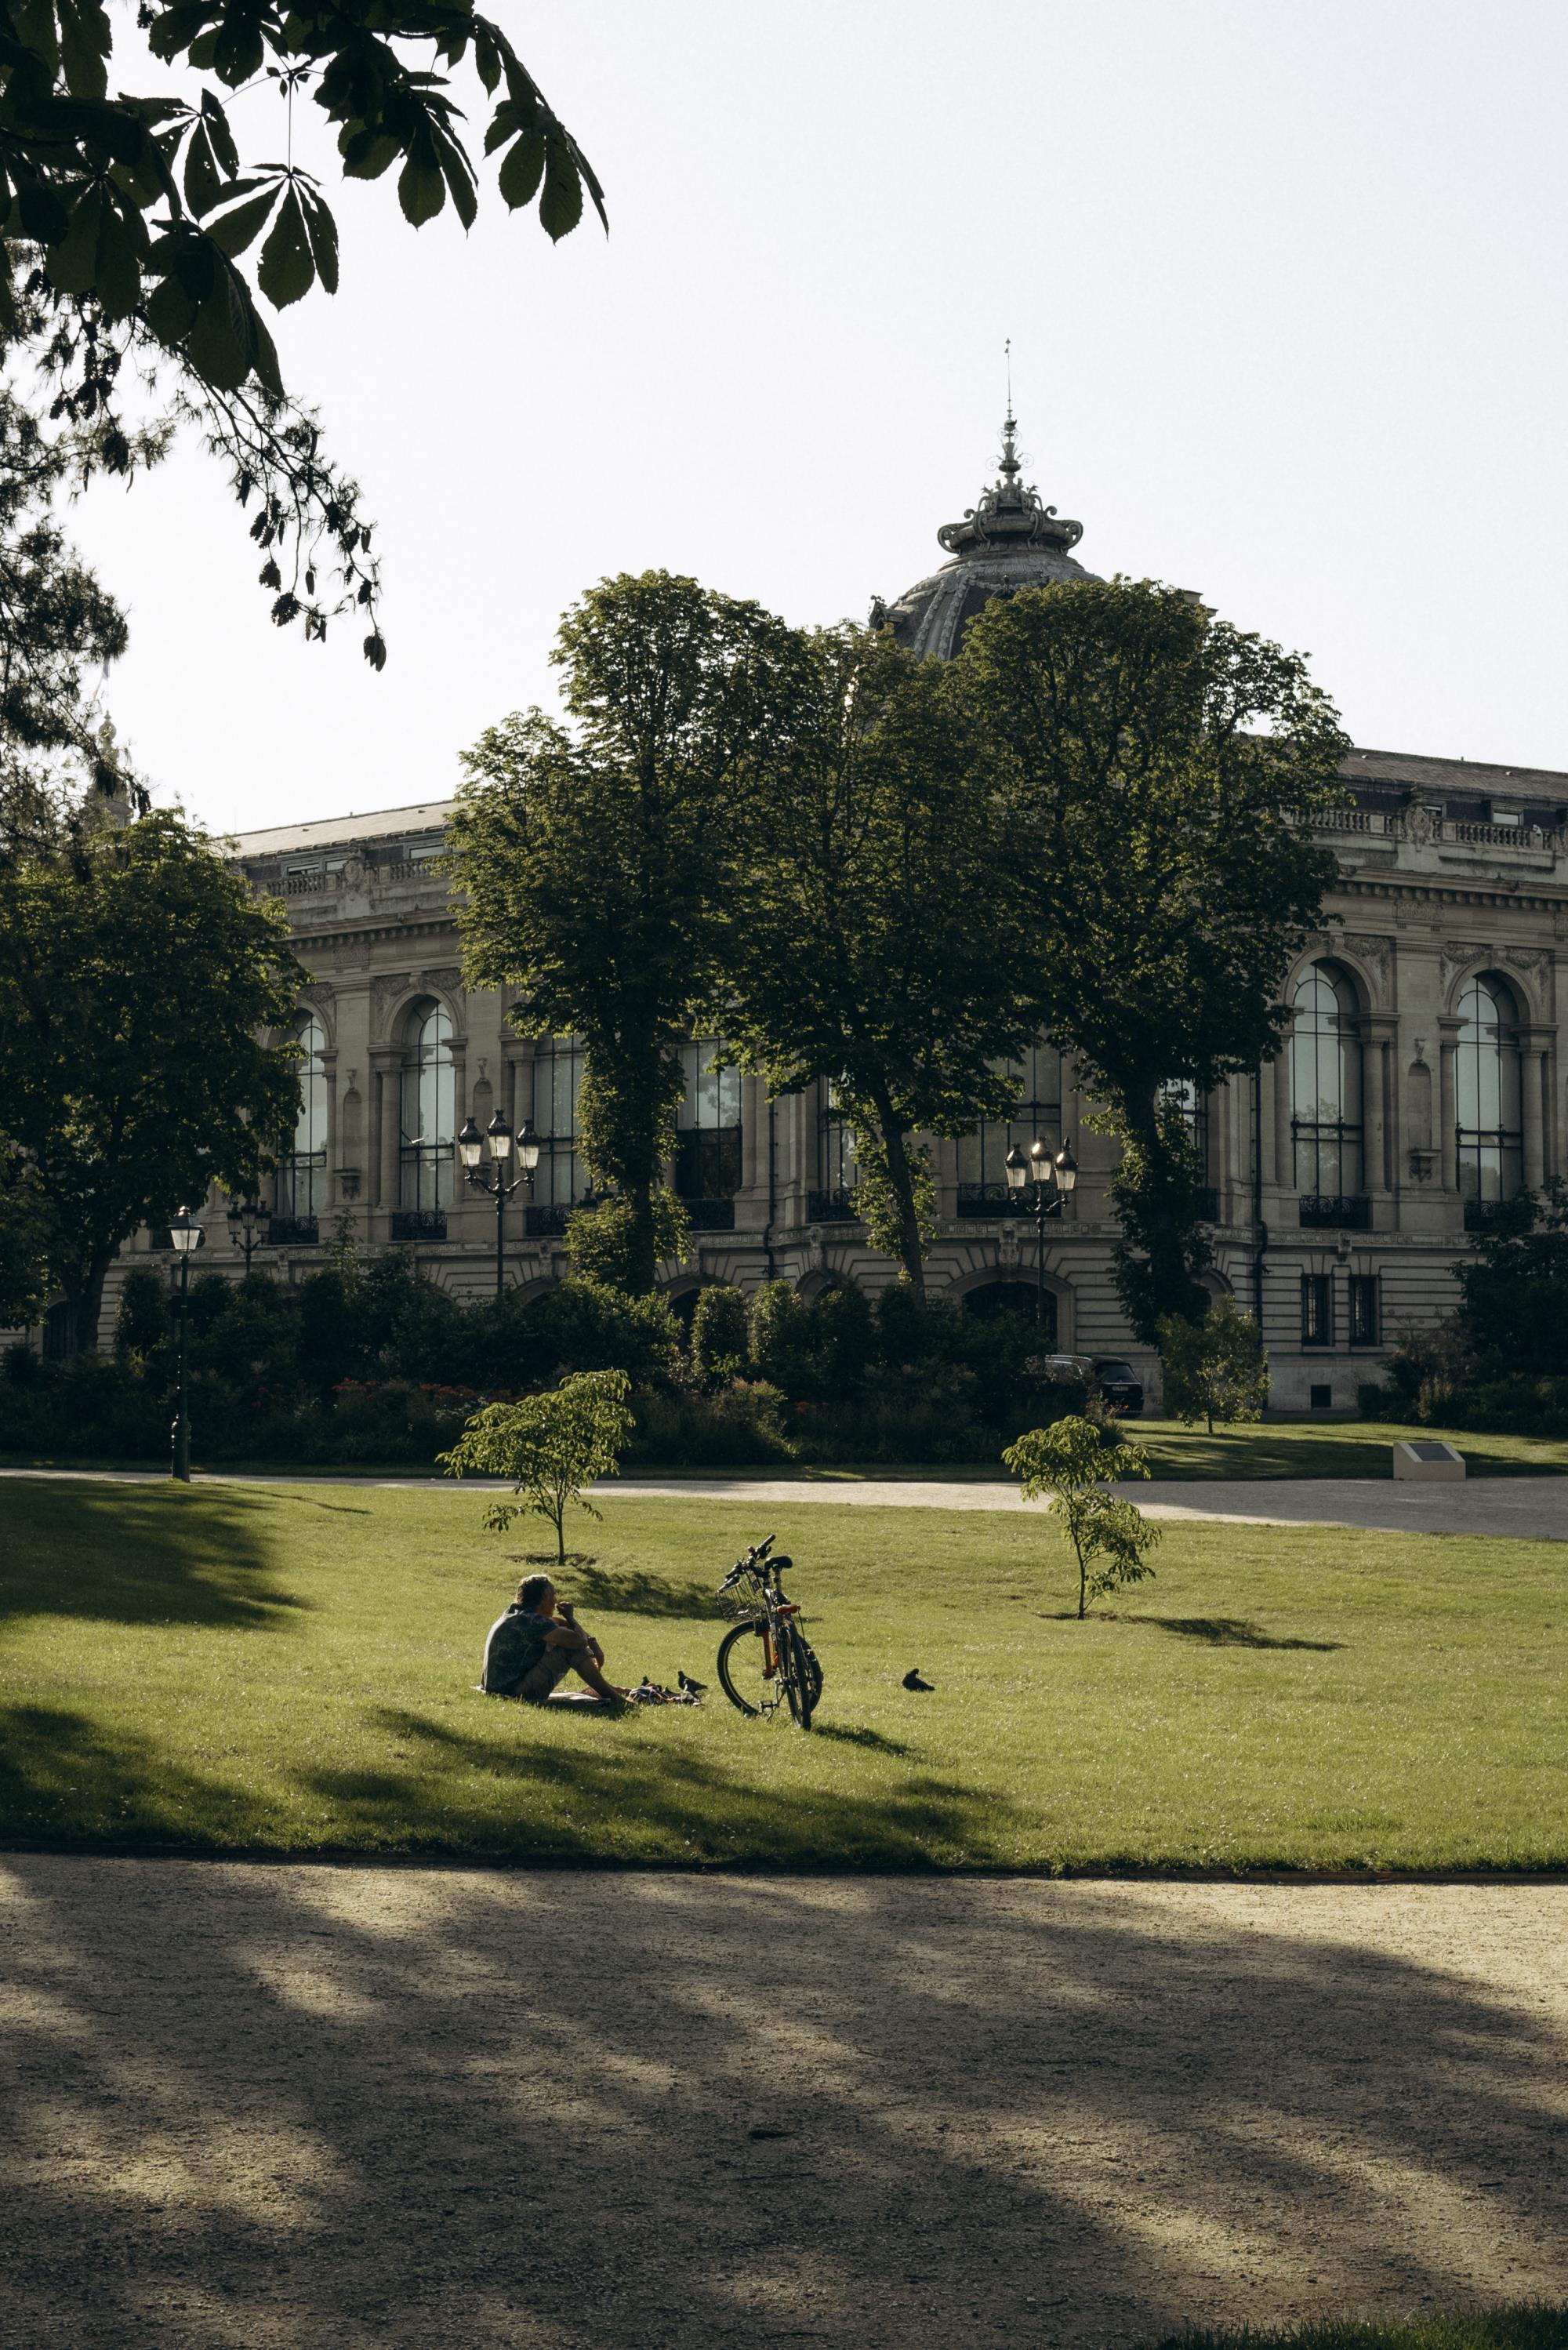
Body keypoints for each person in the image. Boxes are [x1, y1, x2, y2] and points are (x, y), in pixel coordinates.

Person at [481, 1572, 627, 1707]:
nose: (555, 1600)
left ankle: (612, 1692)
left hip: (499, 1690)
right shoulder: (532, 1621)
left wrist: (593, 1643)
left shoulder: (518, 1615)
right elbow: (579, 1641)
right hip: (513, 1693)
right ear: (542, 1600)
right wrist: (570, 1617)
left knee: (569, 1643)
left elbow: (558, 1623)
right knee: (569, 1649)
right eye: (552, 1596)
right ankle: (616, 1699)